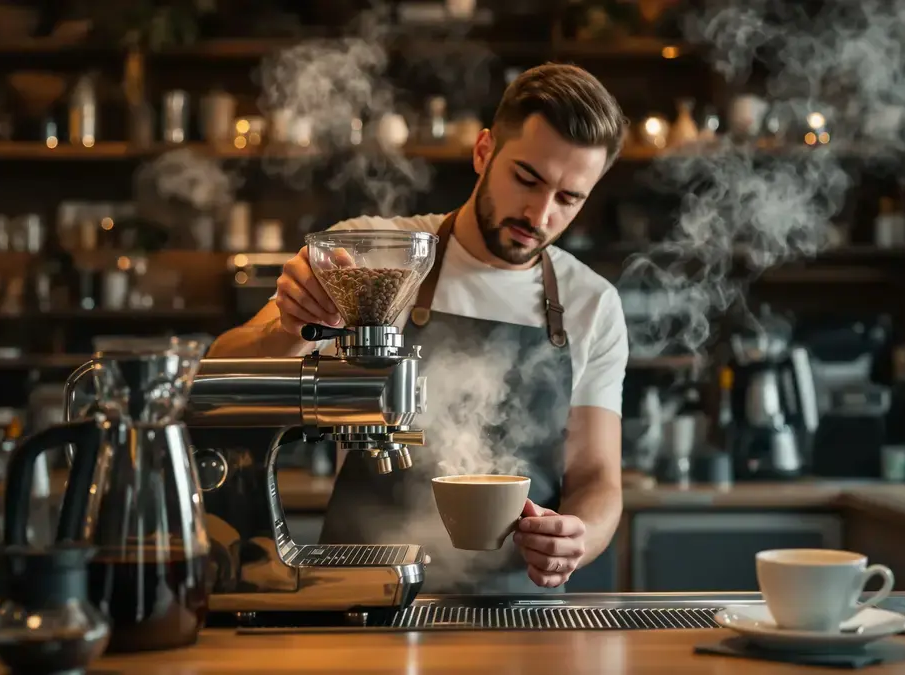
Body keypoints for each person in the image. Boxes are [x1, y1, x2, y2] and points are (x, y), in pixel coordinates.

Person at [209, 63, 629, 593]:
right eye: (527, 178)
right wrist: (290, 324)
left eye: (569, 198)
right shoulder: (373, 252)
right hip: (358, 591)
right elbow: (224, 374)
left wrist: (579, 538)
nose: (540, 214)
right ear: (483, 153)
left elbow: (596, 478)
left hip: (519, 608)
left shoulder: (591, 303)